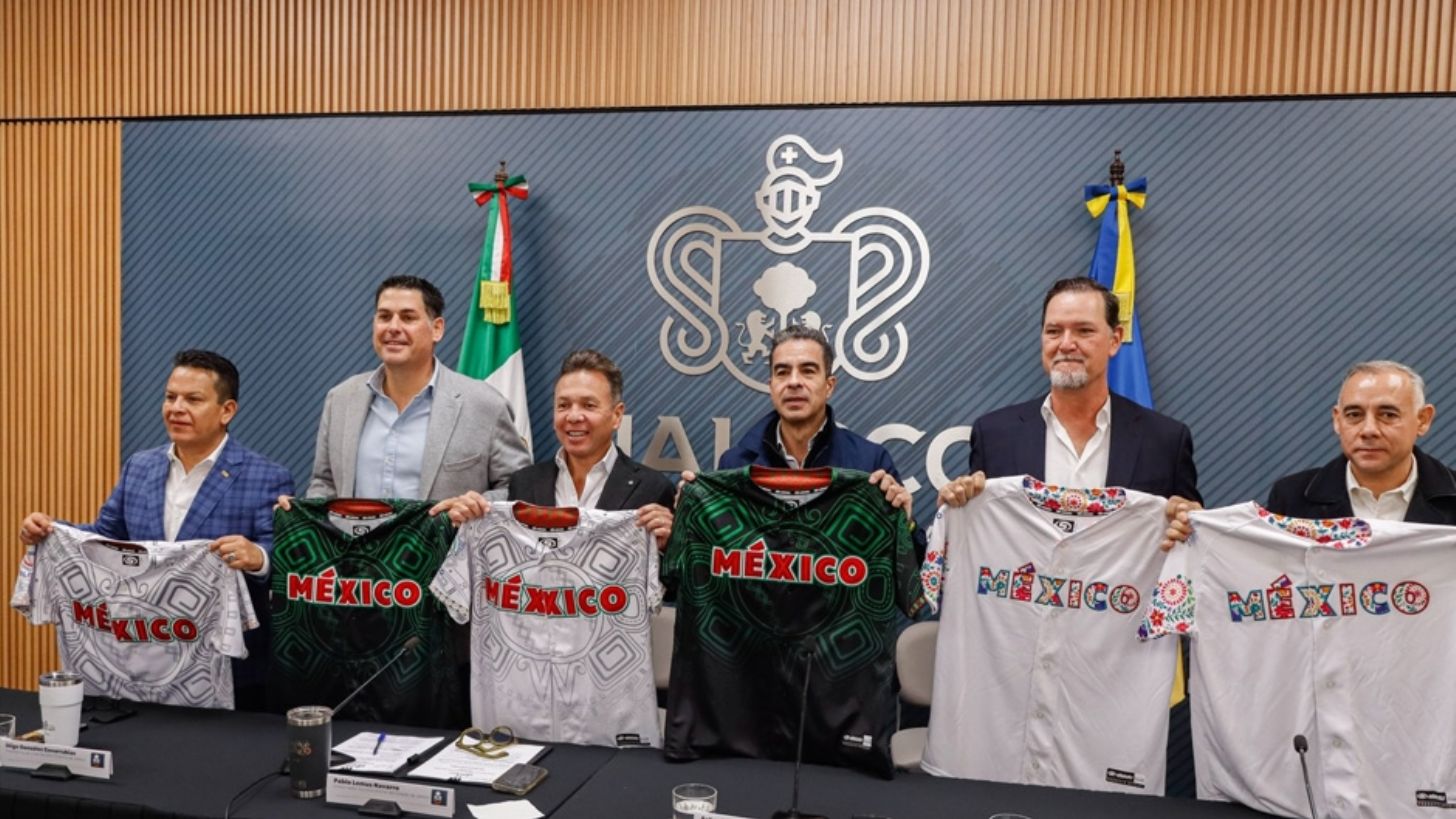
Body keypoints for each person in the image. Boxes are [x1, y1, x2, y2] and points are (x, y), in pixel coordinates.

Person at [18, 349, 293, 710]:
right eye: (170, 397)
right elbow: (104, 538)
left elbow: (285, 560)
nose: (176, 408)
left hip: (228, 673)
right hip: (138, 664)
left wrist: (257, 556)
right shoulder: (140, 466)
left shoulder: (266, 476)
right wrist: (50, 531)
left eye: (193, 399)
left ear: (227, 411)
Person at [939, 276, 1200, 531]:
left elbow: (1189, 536)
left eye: (1084, 331)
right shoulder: (994, 435)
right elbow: (976, 533)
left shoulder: (1166, 441)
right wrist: (953, 510)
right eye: (1054, 331)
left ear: (1115, 340)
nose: (1066, 344)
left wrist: (1191, 524)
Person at [302, 275, 531, 501]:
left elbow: (520, 487)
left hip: (450, 529)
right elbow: (325, 484)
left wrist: (479, 506)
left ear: (437, 329)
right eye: (384, 316)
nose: (393, 327)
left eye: (408, 318)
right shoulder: (340, 399)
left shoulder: (485, 405)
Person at [433, 349, 675, 544]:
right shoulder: (524, 483)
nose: (573, 416)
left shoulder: (653, 489)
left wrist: (667, 545)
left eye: (589, 405)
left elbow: (670, 578)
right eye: (563, 405)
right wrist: (469, 522)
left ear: (617, 415)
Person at [715, 324, 913, 520]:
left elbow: (908, 540)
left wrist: (906, 522)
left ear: (829, 386)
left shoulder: (870, 463)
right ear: (771, 386)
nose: (794, 382)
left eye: (808, 371)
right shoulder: (734, 465)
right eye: (782, 372)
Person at [1265, 360, 1456, 523]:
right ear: (1337, 420)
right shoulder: (1291, 499)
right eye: (1354, 415)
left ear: (1423, 420)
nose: (1369, 430)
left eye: (1388, 415)